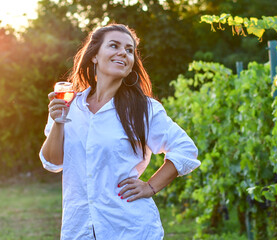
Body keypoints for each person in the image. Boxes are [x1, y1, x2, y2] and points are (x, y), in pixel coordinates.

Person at [39, 23, 200, 239]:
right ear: (94, 55)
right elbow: (52, 163)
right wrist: (58, 122)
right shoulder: (69, 105)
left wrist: (150, 187)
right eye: (114, 45)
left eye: (129, 50)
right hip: (78, 230)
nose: (122, 53)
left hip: (130, 229)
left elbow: (185, 150)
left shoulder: (144, 109)